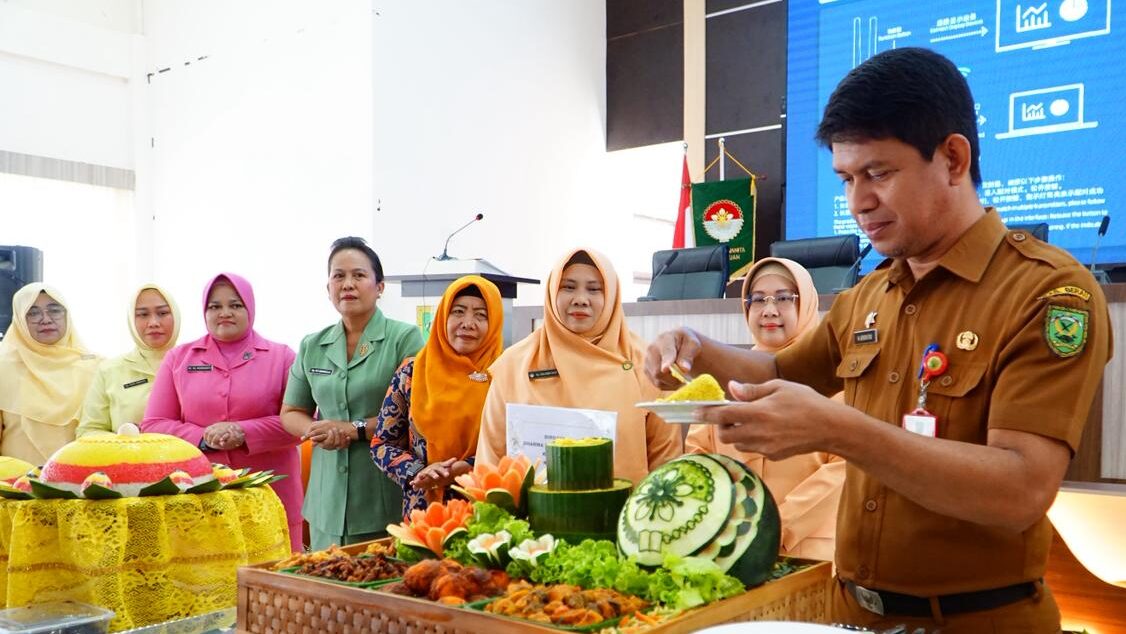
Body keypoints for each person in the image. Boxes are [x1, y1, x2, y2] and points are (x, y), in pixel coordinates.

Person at [645, 48, 1111, 633]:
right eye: (846, 178)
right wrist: (693, 346)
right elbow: (775, 374)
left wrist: (839, 430)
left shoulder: (1046, 293)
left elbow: (1021, 488)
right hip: (850, 616)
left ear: (953, 158)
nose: (858, 202)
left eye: (878, 174)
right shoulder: (869, 295)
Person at [685, 257, 844, 562]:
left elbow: (844, 469)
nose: (769, 310)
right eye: (758, 300)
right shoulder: (721, 378)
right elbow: (699, 456)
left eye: (784, 298)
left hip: (810, 551)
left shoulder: (833, 377)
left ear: (806, 304)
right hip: (729, 547)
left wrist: (774, 527)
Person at [477, 248, 682, 485]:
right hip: (530, 519)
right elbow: (490, 460)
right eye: (568, 287)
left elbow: (667, 463)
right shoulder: (514, 364)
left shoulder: (647, 363)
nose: (580, 299)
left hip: (626, 516)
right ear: (552, 291)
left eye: (594, 289)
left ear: (612, 296)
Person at [142, 273, 302, 551]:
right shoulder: (179, 358)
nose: (224, 313)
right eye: (214, 306)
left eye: (235, 305)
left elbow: (301, 422)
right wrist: (203, 437)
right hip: (199, 493)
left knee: (275, 580)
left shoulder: (282, 357)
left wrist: (243, 432)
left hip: (271, 494)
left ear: (250, 308)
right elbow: (154, 424)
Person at [281, 237, 423, 550]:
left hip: (382, 498)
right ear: (327, 287)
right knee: (327, 591)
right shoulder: (312, 345)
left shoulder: (405, 338)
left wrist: (354, 430)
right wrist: (315, 430)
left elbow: (418, 414)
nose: (348, 284)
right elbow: (291, 412)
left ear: (380, 286)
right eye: (338, 276)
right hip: (325, 503)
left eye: (359, 275)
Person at [371, 275, 505, 517]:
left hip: (486, 513)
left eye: (481, 315)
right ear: (443, 316)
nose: (468, 323)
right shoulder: (411, 373)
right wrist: (418, 471)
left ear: (495, 322)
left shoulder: (505, 375)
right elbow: (382, 444)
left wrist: (470, 466)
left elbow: (515, 446)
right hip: (423, 514)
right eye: (458, 312)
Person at [0, 283, 101, 463]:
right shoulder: (3, 367)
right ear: (19, 319)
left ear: (67, 316)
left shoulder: (96, 366)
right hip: (14, 483)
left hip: (81, 480)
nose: (45, 319)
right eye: (33, 312)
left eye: (54, 310)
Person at [78, 284, 181, 437]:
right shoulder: (110, 370)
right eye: (143, 314)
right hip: (127, 459)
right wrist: (124, 439)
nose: (153, 322)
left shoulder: (194, 364)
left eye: (162, 313)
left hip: (186, 459)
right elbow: (88, 431)